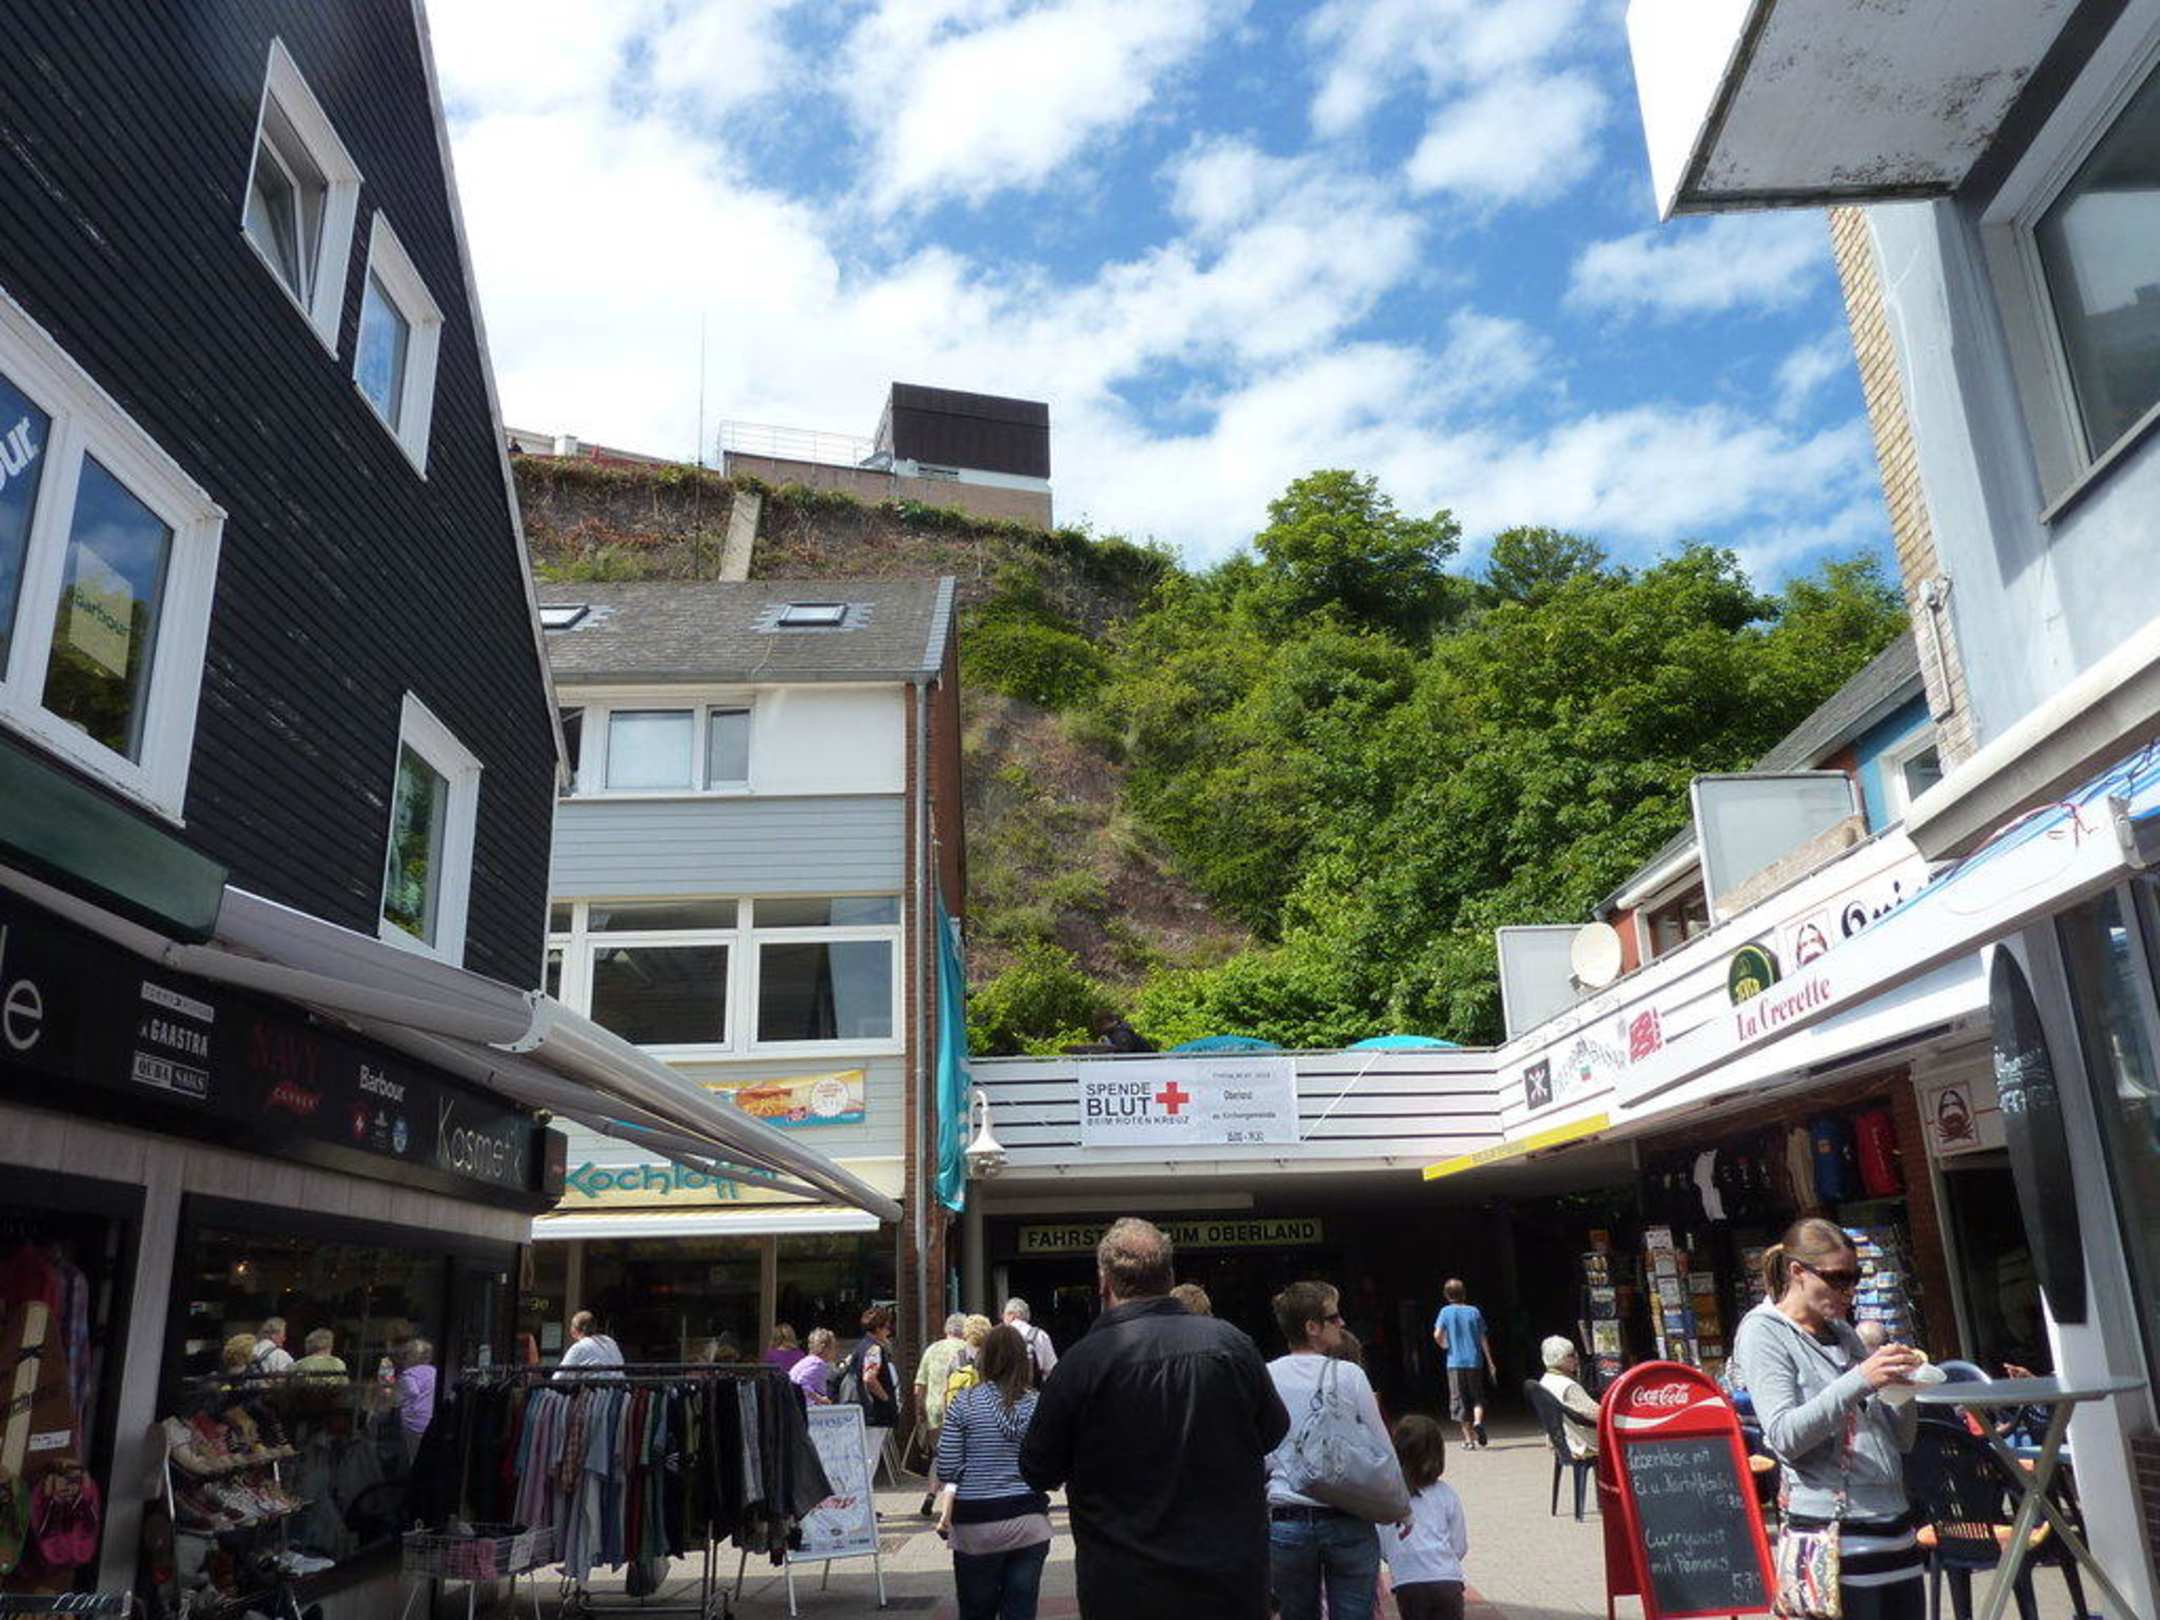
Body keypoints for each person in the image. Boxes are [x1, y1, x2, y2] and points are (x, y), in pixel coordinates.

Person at [1021, 1216, 1289, 1617]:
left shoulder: (1079, 1365)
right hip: (1229, 1582)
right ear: (1170, 1277)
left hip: (1126, 1587)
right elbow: (1273, 1432)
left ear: (1103, 1283)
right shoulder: (1231, 1346)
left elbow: (1038, 1468)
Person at [1732, 1217, 1926, 1620]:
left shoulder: (1844, 1333)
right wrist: (1860, 1379)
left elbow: (1901, 1441)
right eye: (1837, 1278)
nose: (1848, 1291)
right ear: (1797, 1272)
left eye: (1855, 1278)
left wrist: (1903, 1391)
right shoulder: (1764, 1332)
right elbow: (1784, 1436)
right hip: (1835, 1538)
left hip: (1894, 1528)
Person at [1265, 1280, 1389, 1620]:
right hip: (1347, 1514)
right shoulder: (1350, 1375)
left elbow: (1259, 1449)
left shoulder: (1266, 1375)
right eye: (1334, 1317)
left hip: (1288, 1517)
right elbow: (1380, 1445)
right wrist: (1400, 1506)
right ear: (1312, 1327)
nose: (1342, 1323)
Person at [936, 1325, 1052, 1619]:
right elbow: (1051, 1464)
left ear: (984, 1359)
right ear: (1023, 1361)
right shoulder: (1039, 1405)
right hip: (1029, 1521)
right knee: (1021, 1611)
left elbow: (947, 1466)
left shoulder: (964, 1403)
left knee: (976, 1610)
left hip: (976, 1525)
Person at [1385, 1415, 1467, 1620]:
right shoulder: (1446, 1493)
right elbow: (1459, 1545)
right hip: (1447, 1579)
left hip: (1408, 1581)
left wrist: (1399, 1559)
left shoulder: (1388, 1495)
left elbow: (1382, 1544)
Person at [915, 1313, 971, 1516]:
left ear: (946, 1330)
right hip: (959, 1408)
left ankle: (931, 1493)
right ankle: (955, 1500)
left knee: (938, 1454)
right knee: (962, 1455)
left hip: (934, 1409)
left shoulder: (932, 1349)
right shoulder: (967, 1350)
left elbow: (919, 1384)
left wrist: (919, 1410)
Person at [1431, 1280, 1495, 1449]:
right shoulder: (1474, 1311)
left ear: (1446, 1295)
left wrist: (1444, 1345)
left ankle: (1469, 1441)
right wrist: (1490, 1361)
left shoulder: (1445, 1312)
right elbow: (1483, 1338)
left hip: (1455, 1363)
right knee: (1477, 1397)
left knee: (1460, 1401)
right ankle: (1478, 1422)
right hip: (1475, 1361)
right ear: (1464, 1293)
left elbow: (1437, 1334)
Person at [843, 1306, 900, 1471]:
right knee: (870, 1459)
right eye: (887, 1327)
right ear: (878, 1328)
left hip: (864, 1410)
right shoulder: (874, 1349)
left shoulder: (861, 1346)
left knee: (864, 1458)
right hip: (874, 1412)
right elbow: (869, 1378)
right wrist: (887, 1399)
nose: (889, 1331)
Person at [1537, 1337, 1600, 1460]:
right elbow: (1597, 1414)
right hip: (1581, 1441)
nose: (1576, 1358)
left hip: (1560, 1438)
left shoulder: (1545, 1381)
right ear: (1560, 1359)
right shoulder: (1568, 1386)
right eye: (1571, 1355)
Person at [395, 1338, 437, 1464]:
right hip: (431, 1418)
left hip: (414, 1420)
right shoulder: (433, 1371)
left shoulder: (409, 1374)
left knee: (414, 1455)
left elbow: (412, 1391)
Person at [553, 1309, 624, 1379]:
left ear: (573, 1331)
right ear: (595, 1327)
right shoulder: (610, 1341)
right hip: (621, 1385)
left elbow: (558, 1377)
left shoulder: (579, 1347)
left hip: (598, 1385)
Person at [1002, 1299, 1057, 1385]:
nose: (1002, 1319)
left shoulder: (999, 1335)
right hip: (1033, 1389)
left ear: (1012, 1315)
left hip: (1004, 1390)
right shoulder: (1041, 1335)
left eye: (1004, 1316)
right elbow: (1052, 1370)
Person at [791, 1328, 839, 1405]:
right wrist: (819, 1399)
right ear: (825, 1349)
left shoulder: (809, 1360)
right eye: (834, 1347)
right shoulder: (818, 1364)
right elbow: (801, 1383)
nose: (836, 1351)